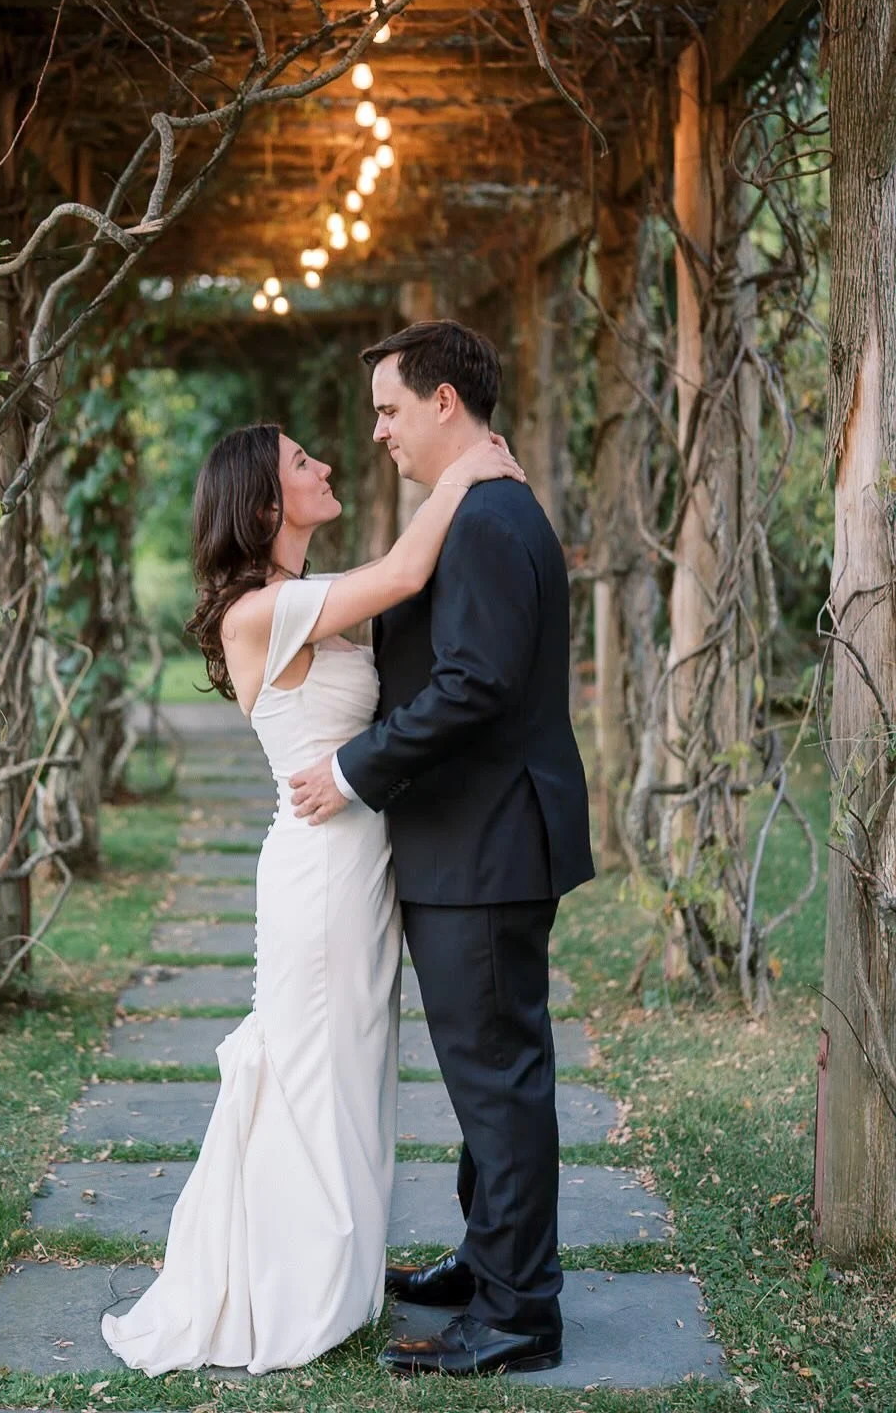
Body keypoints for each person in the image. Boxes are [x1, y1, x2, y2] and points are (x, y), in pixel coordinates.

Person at [99, 417, 525, 1376]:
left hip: (358, 863)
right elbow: (404, 572)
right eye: (302, 462)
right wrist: (461, 473)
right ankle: (296, 1286)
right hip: (321, 876)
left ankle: (334, 1270)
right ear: (264, 506)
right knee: (316, 1075)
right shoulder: (259, 611)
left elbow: (396, 596)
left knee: (352, 1072)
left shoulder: (302, 599)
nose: (326, 464)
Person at [289, 319, 595, 1378]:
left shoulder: (489, 519)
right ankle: (488, 1259)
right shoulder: (474, 508)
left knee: (498, 1078)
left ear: (443, 402)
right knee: (485, 1081)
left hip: (489, 841)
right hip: (473, 839)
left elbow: (475, 685)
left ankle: (520, 1312)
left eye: (389, 409)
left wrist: (353, 769)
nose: (378, 430)